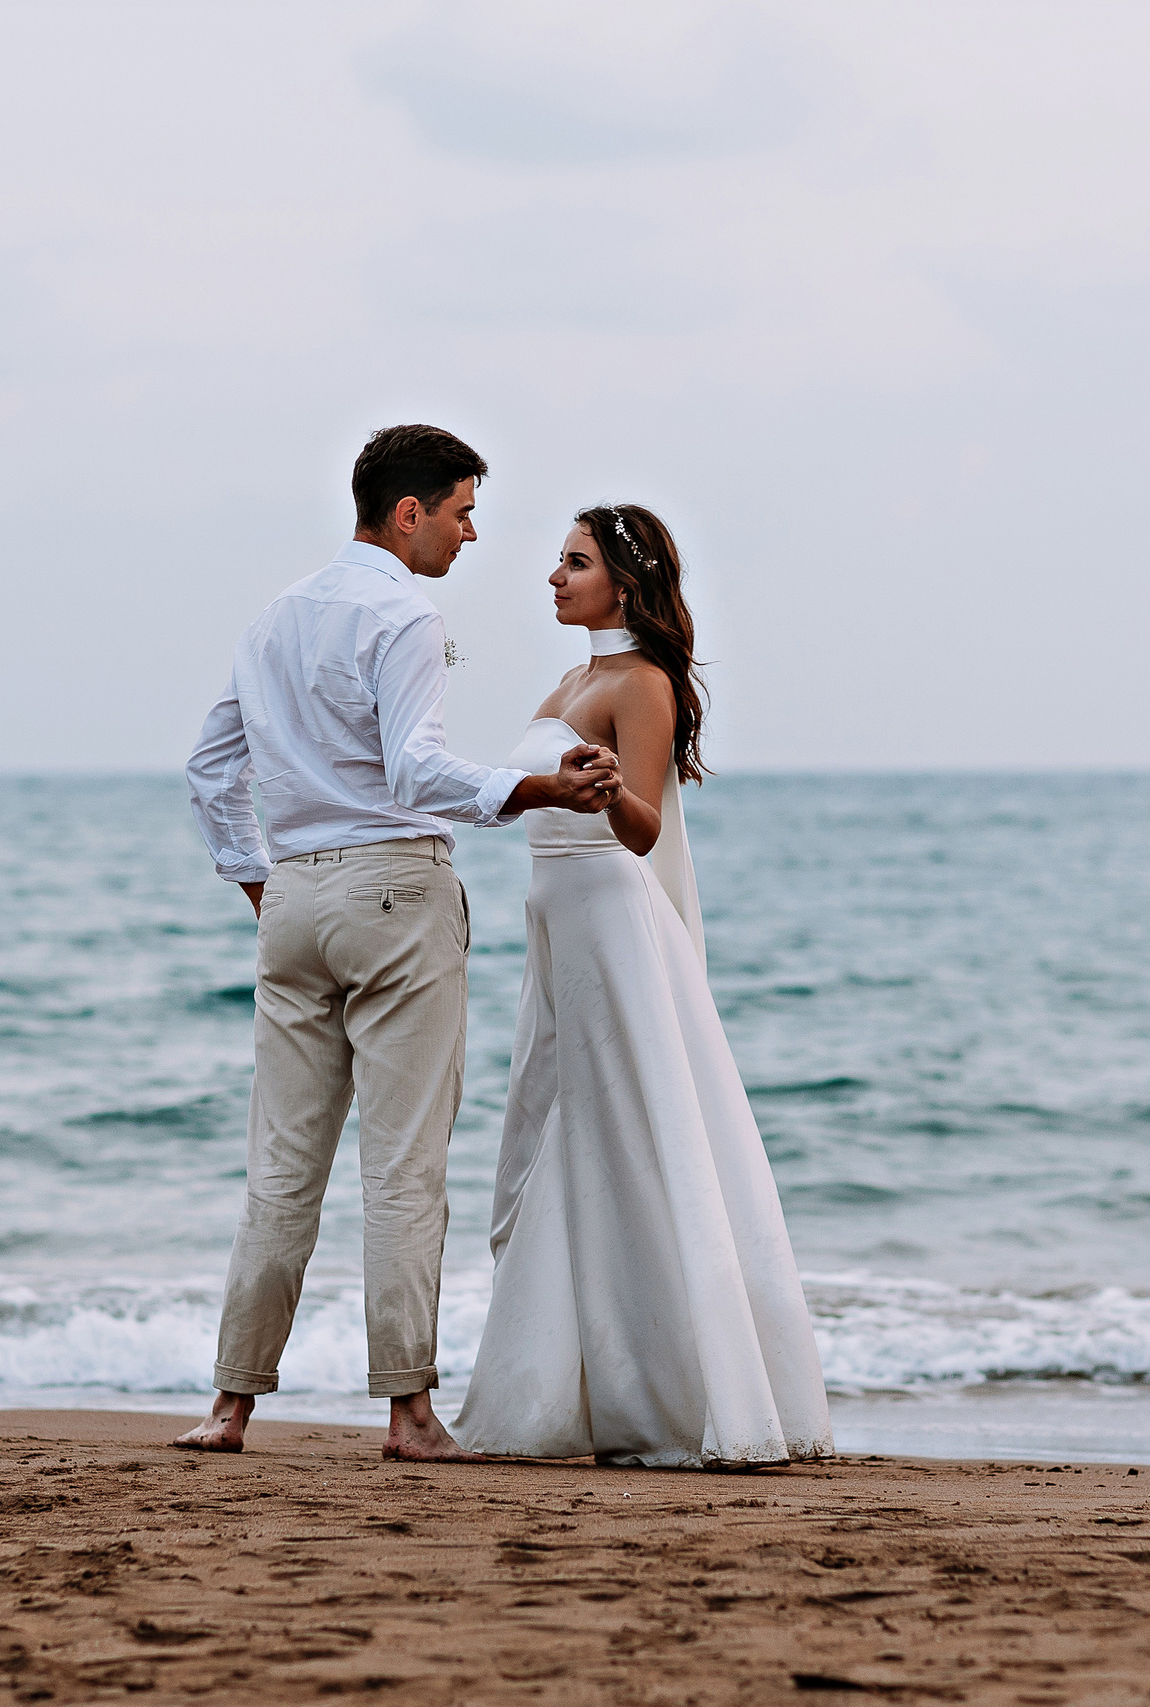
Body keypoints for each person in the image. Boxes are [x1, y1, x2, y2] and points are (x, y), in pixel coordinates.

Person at [178, 425, 619, 1460]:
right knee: (404, 1166)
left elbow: (208, 770)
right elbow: (414, 771)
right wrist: (538, 788)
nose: (471, 535)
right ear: (408, 513)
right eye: (462, 512)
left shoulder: (275, 616)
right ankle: (409, 1412)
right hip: (392, 890)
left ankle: (230, 1406)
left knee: (282, 1165)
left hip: (291, 898)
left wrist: (258, 882)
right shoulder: (405, 615)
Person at [451, 505, 834, 1468]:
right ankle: (574, 1382)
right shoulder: (574, 676)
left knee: (630, 1134)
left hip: (611, 921)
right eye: (558, 561)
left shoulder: (643, 681)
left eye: (573, 562)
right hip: (557, 926)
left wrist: (603, 782)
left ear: (624, 582)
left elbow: (643, 828)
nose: (552, 577)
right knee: (555, 1138)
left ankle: (667, 1391)